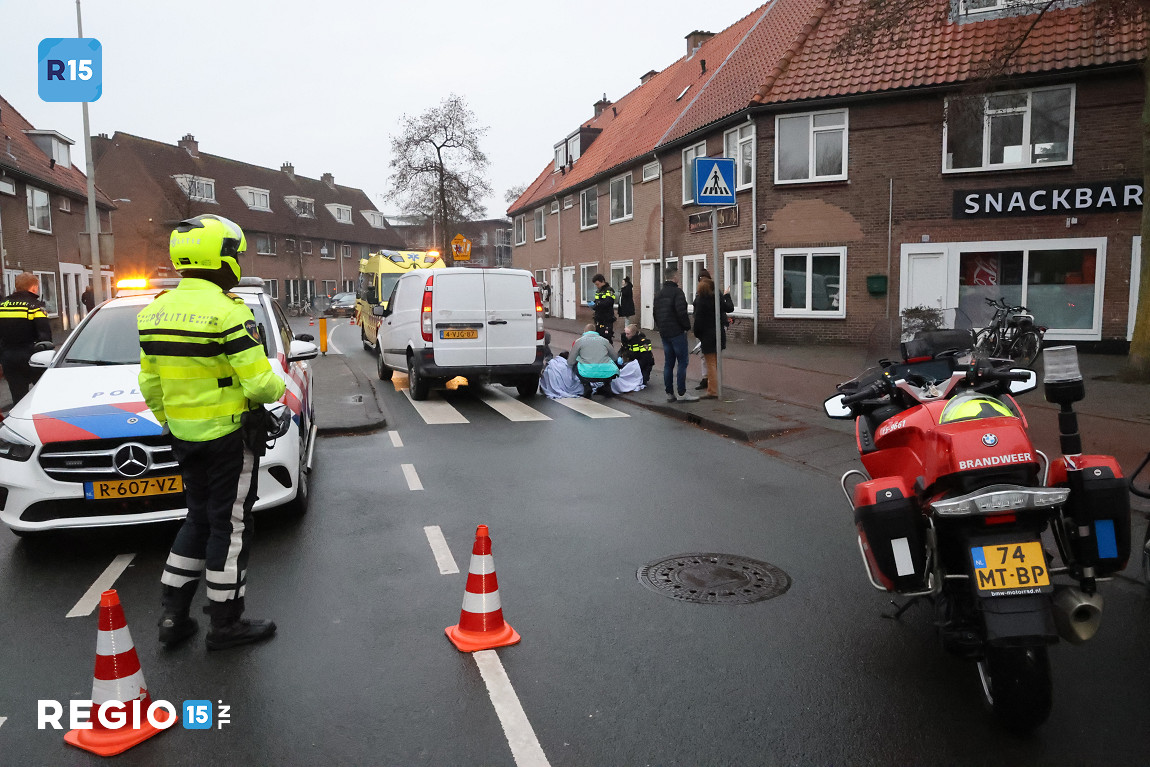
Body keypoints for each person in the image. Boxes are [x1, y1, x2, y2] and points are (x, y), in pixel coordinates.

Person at [138, 214, 286, 651]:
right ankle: (226, 623)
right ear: (221, 258)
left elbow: (150, 383)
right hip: (227, 437)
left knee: (197, 517)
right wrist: (275, 383)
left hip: (183, 435)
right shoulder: (227, 313)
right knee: (231, 524)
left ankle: (172, 615)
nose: (237, 260)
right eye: (235, 253)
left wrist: (170, 421)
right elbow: (261, 385)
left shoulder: (154, 312)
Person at [0, 272, 53, 406]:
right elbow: (45, 337)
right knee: (41, 397)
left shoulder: (2, 304)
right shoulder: (35, 306)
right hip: (32, 358)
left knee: (18, 399)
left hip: (8, 358)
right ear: (34, 288)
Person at [652, 270, 698, 403]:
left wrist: (661, 327)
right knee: (682, 362)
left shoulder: (659, 294)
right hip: (677, 332)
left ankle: (669, 393)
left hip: (664, 333)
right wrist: (687, 327)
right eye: (678, 275)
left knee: (668, 363)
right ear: (675, 277)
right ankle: (682, 393)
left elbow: (655, 313)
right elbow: (681, 312)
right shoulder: (678, 292)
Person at [692, 276, 733, 399]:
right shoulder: (717, 299)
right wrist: (727, 295)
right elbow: (729, 308)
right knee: (715, 362)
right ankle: (715, 387)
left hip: (707, 336)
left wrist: (698, 334)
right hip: (719, 333)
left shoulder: (700, 301)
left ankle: (713, 390)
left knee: (710, 364)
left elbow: (698, 321)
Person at [568, 324, 619, 397]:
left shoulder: (579, 341)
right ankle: (607, 386)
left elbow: (570, 362)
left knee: (575, 365)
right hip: (607, 373)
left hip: (586, 374)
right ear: (595, 331)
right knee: (610, 362)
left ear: (584, 331)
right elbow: (615, 357)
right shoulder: (605, 341)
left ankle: (587, 386)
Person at [590, 273, 617, 343]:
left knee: (607, 337)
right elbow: (596, 301)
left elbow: (609, 302)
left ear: (602, 281)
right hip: (599, 317)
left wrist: (597, 304)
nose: (597, 286)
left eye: (598, 284)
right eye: (596, 284)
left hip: (607, 318)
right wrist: (593, 305)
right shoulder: (598, 291)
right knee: (598, 337)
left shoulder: (609, 290)